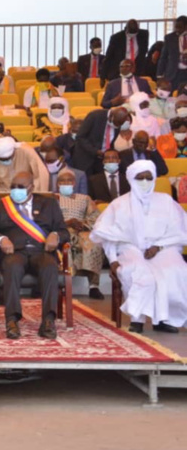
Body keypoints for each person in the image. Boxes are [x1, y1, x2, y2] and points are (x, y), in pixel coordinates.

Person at [91, 160, 187, 333]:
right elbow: (107, 235)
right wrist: (112, 259)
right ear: (131, 179)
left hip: (162, 248)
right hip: (130, 248)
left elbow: (178, 230)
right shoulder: (119, 204)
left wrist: (158, 247)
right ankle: (137, 318)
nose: (144, 182)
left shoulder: (166, 201)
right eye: (140, 178)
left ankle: (164, 319)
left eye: (148, 178)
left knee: (176, 269)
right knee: (137, 271)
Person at [0, 171, 69, 339]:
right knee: (12, 266)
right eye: (13, 187)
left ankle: (48, 320)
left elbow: (64, 231)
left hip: (41, 251)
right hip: (15, 252)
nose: (16, 191)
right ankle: (12, 320)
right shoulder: (1, 205)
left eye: (20, 187)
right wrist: (1, 239)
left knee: (50, 266)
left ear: (32, 187)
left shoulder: (49, 204)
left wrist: (55, 236)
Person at [56, 169, 104, 299]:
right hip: (62, 229)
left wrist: (82, 224)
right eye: (62, 181)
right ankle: (65, 284)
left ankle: (94, 286)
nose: (66, 183)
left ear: (74, 183)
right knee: (66, 246)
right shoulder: (53, 199)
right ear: (57, 184)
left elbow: (96, 217)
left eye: (69, 180)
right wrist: (67, 223)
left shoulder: (85, 198)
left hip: (82, 230)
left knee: (94, 244)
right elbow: (48, 218)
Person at [72, 107, 131, 175]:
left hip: (102, 160)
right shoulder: (95, 116)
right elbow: (80, 137)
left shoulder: (119, 122)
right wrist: (95, 151)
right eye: (115, 123)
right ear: (111, 116)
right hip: (85, 158)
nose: (116, 126)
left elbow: (110, 141)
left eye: (119, 125)